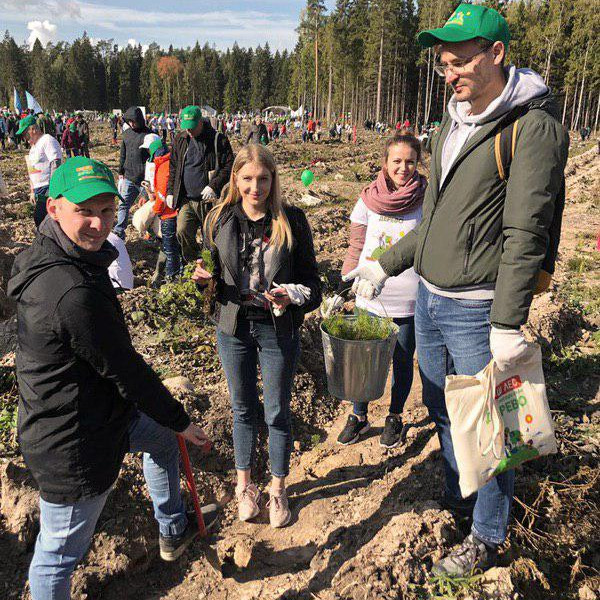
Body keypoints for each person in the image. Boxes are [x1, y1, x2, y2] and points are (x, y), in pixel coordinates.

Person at [344, 4, 569, 577]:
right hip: (429, 297)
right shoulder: (451, 123)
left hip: (476, 308)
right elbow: (436, 218)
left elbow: (526, 230)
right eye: (445, 64)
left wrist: (506, 320)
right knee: (445, 408)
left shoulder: (529, 126)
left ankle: (488, 537)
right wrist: (384, 264)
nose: (450, 73)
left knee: (491, 427)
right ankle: (459, 497)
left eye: (461, 61)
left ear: (497, 54)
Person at [7, 156, 218, 600]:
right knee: (57, 557)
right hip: (73, 444)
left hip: (98, 414)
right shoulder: (71, 293)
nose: (99, 223)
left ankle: (173, 528)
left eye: (106, 211)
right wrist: (181, 419)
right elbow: (126, 371)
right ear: (54, 209)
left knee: (160, 439)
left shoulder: (59, 256)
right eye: (85, 211)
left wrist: (168, 424)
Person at [193, 144, 322, 528]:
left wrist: (293, 294)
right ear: (235, 179)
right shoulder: (218, 219)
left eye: (262, 179)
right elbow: (210, 275)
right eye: (247, 179)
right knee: (243, 408)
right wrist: (205, 281)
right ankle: (245, 486)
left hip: (277, 327)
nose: (255, 188)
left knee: (277, 410)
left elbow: (314, 284)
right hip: (233, 327)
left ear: (273, 179)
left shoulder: (292, 221)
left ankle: (278, 488)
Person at [329, 134, 426, 448]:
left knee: (401, 360)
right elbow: (356, 244)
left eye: (410, 161)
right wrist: (344, 282)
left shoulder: (427, 198)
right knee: (364, 360)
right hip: (370, 297)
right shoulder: (368, 198)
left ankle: (395, 416)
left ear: (418, 162)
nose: (403, 167)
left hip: (409, 298)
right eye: (396, 161)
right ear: (385, 163)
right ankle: (358, 415)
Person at [166, 105, 234, 263]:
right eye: (186, 127)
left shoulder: (218, 140)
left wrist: (214, 185)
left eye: (192, 127)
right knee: (182, 231)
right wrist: (170, 191)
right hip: (186, 199)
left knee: (210, 236)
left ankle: (212, 265)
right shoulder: (180, 140)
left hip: (208, 201)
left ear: (200, 122)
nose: (189, 131)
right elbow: (174, 167)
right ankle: (194, 262)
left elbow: (229, 166)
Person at [16, 114, 62, 227]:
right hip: (38, 190)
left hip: (48, 187)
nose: (24, 137)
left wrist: (53, 188)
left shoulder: (47, 140)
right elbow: (31, 170)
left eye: (25, 133)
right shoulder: (33, 147)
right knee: (41, 220)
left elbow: (55, 163)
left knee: (42, 218)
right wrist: (32, 191)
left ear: (33, 129)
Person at [146, 137, 181, 286]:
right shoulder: (170, 163)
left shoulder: (164, 167)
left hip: (168, 214)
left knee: (169, 249)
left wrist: (154, 211)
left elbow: (162, 194)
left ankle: (170, 280)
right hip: (174, 212)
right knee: (173, 247)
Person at [114, 106, 152, 240]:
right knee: (123, 205)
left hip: (145, 180)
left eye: (134, 121)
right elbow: (123, 155)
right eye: (129, 121)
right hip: (129, 177)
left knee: (149, 207)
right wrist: (121, 172)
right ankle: (119, 231)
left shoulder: (150, 135)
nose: (131, 124)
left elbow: (155, 159)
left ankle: (150, 232)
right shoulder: (127, 134)